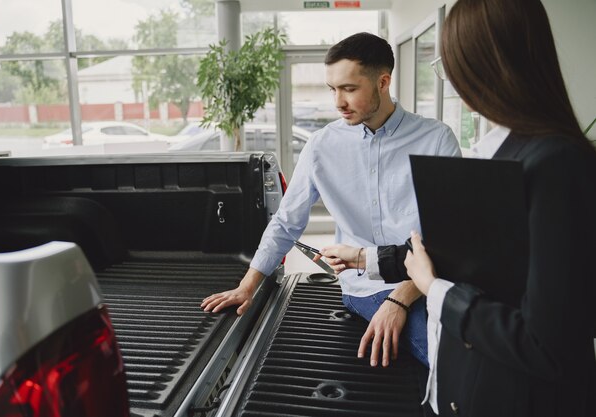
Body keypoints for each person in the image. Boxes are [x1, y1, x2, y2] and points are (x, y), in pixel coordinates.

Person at [321, 1, 596, 416]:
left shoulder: (556, 165)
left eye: (454, 66)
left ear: (491, 64)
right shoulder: (506, 151)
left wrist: (435, 290)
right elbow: (468, 253)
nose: (452, 81)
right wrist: (365, 257)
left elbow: (546, 346)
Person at [201, 32, 461, 369]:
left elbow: (450, 238)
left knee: (478, 348)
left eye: (349, 89)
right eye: (332, 89)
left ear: (383, 82)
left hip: (432, 280)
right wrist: (247, 285)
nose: (338, 102)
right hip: (366, 288)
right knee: (450, 357)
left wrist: (400, 299)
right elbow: (285, 222)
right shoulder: (321, 146)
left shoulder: (436, 139)